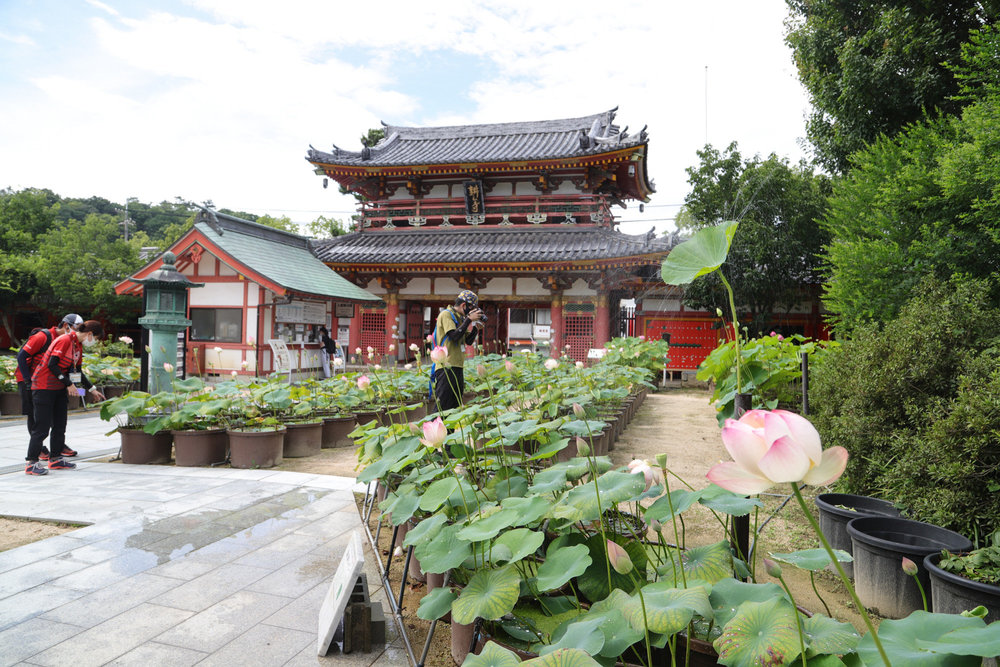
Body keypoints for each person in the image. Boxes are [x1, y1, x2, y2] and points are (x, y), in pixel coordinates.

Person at [25, 320, 106, 475]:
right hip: (43, 387)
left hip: (59, 388)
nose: (94, 342)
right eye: (95, 338)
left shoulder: (78, 346)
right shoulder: (65, 340)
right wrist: (69, 384)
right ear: (89, 334)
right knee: (42, 428)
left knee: (60, 425)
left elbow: (77, 371)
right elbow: (52, 364)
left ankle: (55, 459)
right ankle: (31, 462)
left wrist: (92, 390)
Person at [15, 314, 84, 461]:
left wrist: (77, 386)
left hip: (50, 380)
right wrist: (27, 381)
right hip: (29, 378)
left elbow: (74, 368)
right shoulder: (43, 336)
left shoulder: (74, 343)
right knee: (35, 414)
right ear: (66, 325)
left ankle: (58, 448)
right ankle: (38, 449)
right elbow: (21, 356)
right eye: (77, 329)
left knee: (56, 417)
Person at [431, 290, 484, 412]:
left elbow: (467, 341)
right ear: (463, 305)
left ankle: (451, 431)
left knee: (455, 405)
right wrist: (469, 320)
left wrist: (475, 329)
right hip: (446, 367)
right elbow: (453, 336)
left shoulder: (460, 318)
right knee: (443, 405)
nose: (472, 311)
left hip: (457, 366)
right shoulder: (446, 314)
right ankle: (436, 429)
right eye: (471, 308)